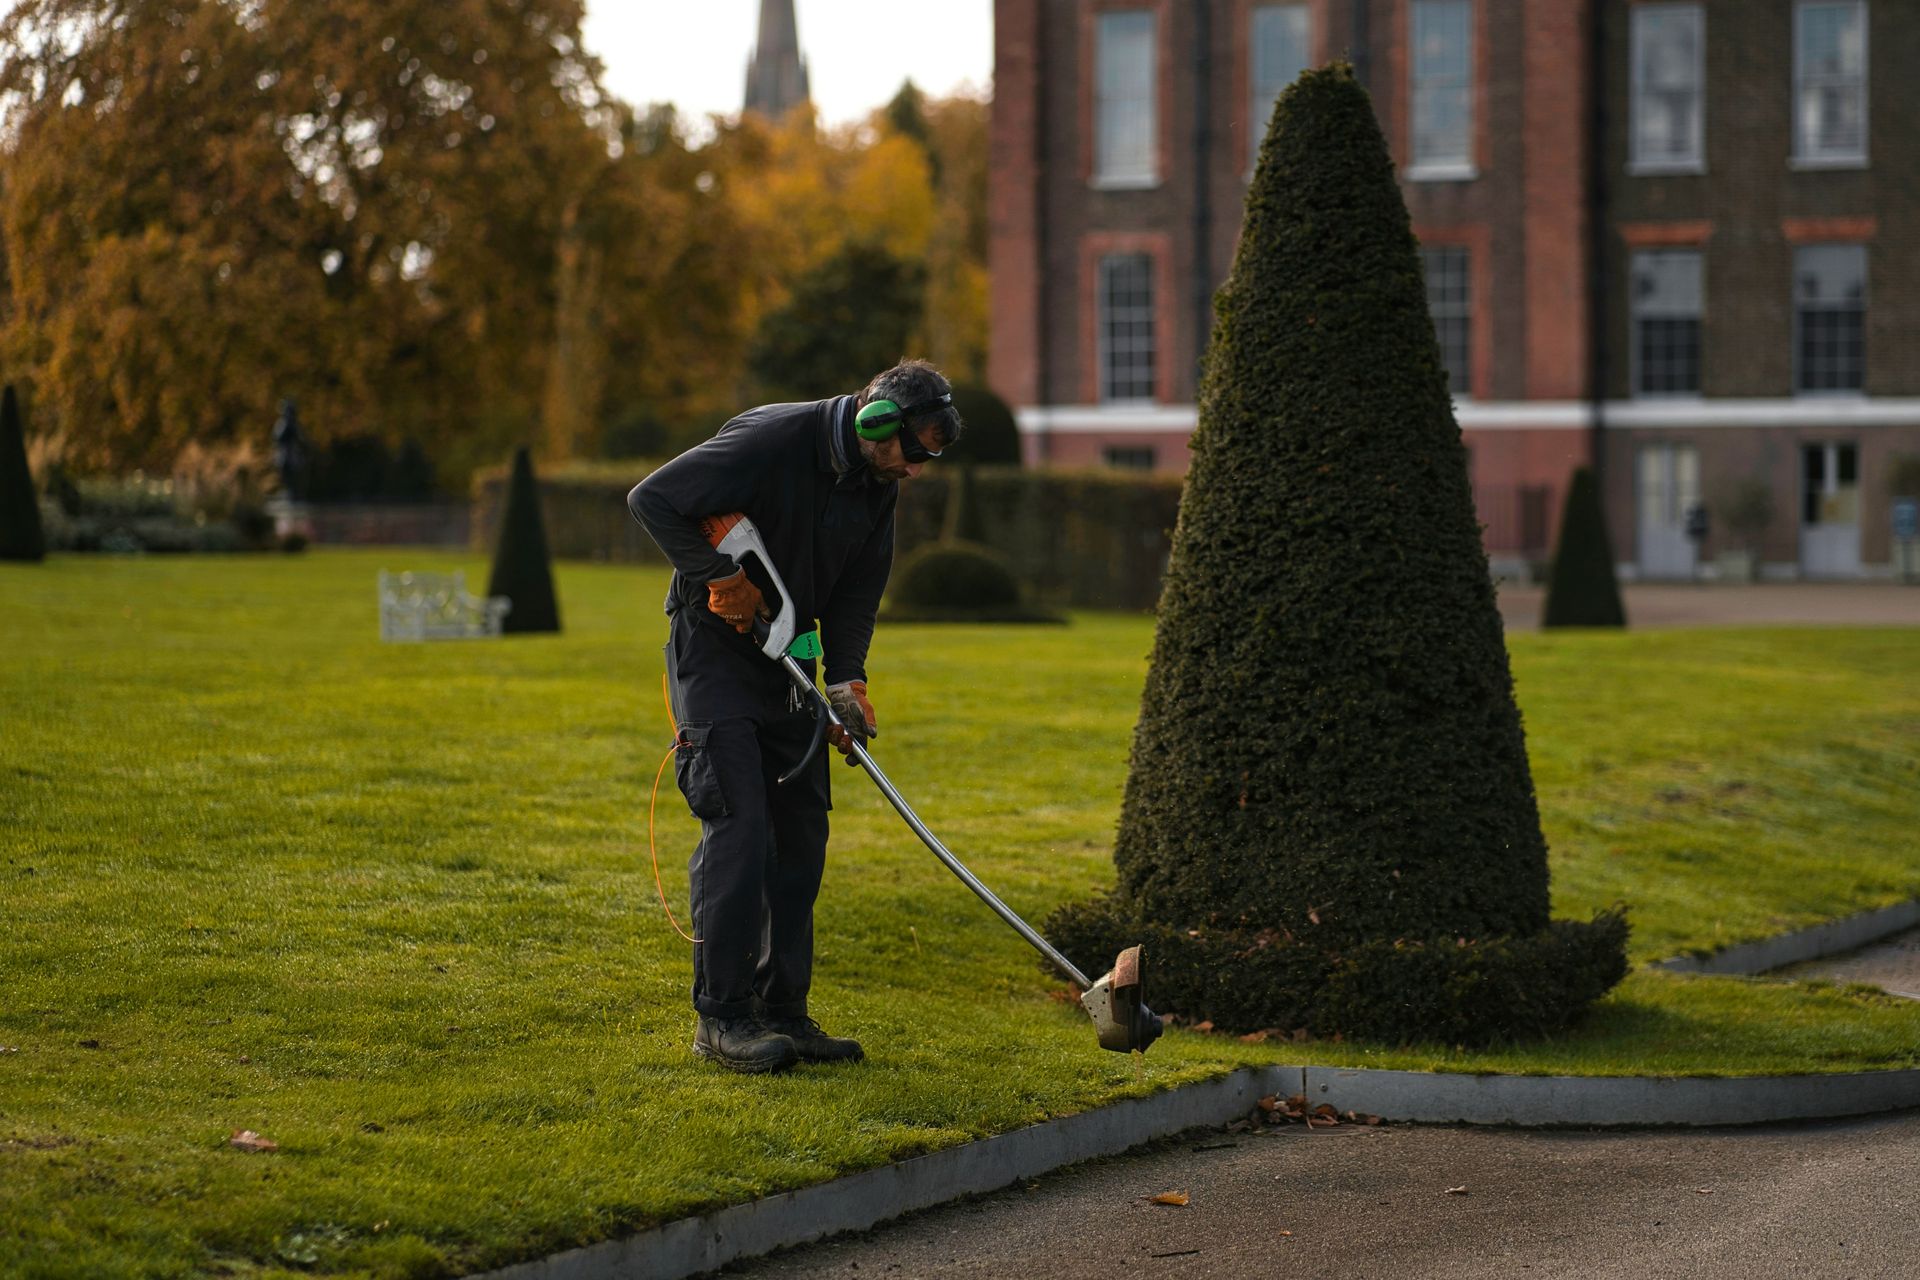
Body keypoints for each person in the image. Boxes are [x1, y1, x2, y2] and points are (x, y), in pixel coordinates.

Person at [628, 360, 963, 1073]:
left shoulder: (877, 485)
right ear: (876, 422)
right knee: (740, 824)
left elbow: (855, 595)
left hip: (787, 656)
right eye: (914, 450)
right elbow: (652, 499)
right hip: (714, 654)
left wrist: (846, 683)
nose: (916, 469)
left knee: (801, 832)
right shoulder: (772, 440)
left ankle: (784, 1012)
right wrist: (719, 577)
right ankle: (722, 1018)